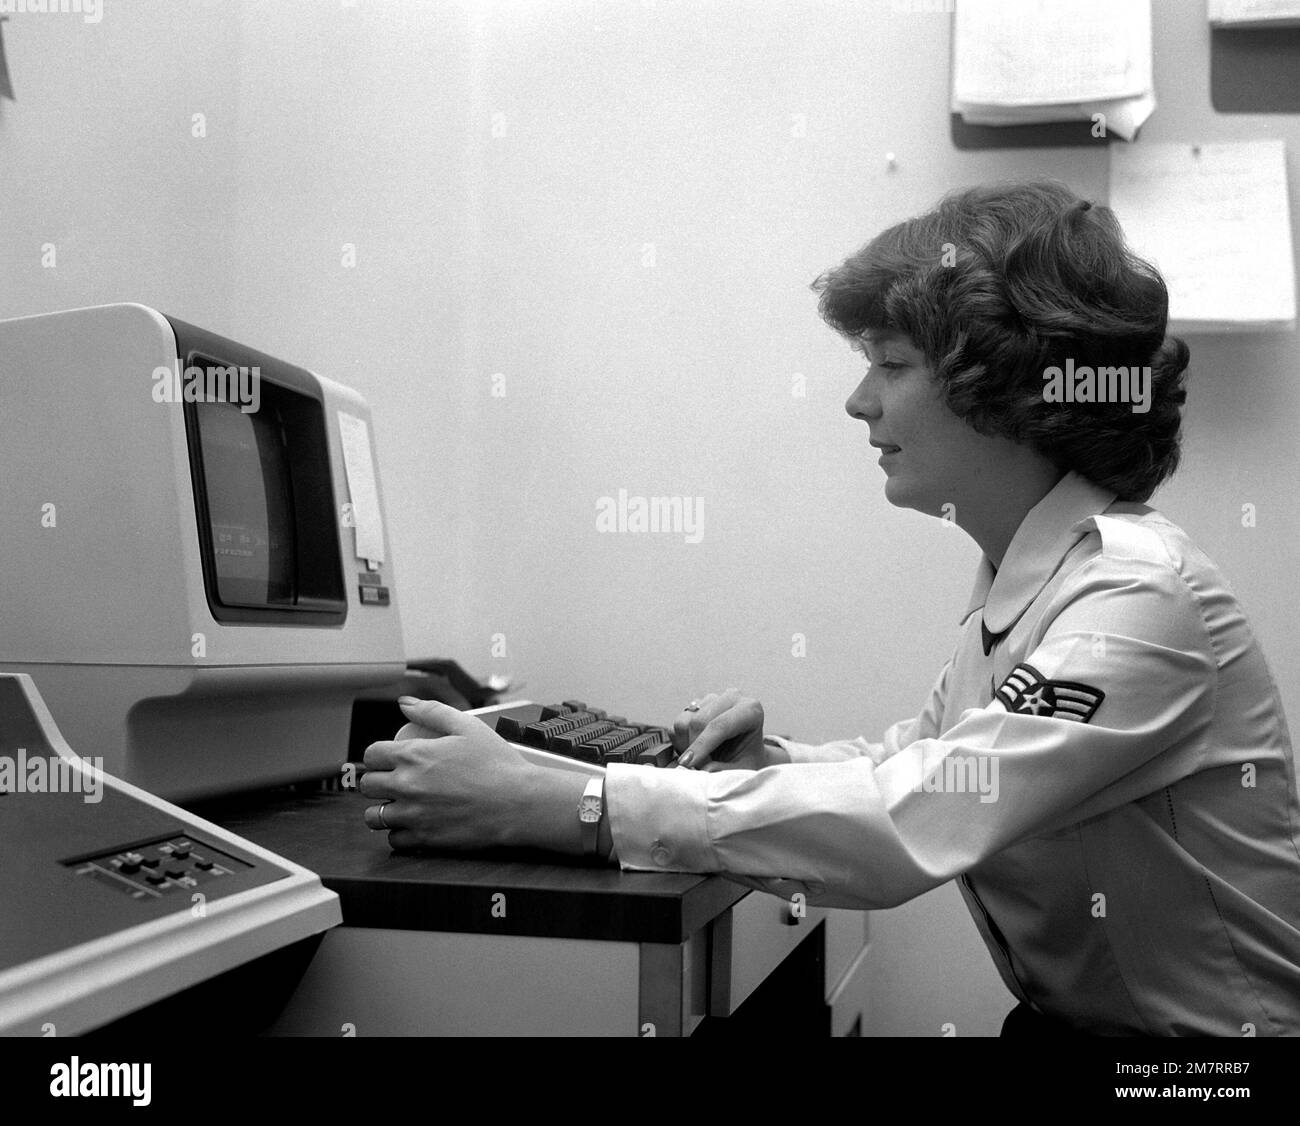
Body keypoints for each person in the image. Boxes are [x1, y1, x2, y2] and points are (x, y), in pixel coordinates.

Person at [359, 180, 1300, 1036]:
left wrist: (569, 803)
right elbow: (924, 762)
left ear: (1004, 390)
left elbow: (910, 817)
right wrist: (773, 763)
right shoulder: (1035, 580)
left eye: (890, 364)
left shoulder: (1137, 598)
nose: (857, 402)